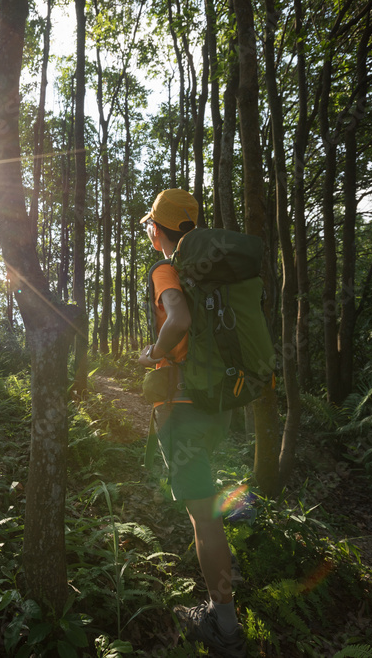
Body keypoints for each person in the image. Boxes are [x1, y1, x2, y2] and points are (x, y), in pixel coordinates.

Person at [137, 188, 246, 657]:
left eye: (149, 224)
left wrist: (154, 352)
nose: (147, 230)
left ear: (159, 228)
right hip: (217, 404)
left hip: (183, 408)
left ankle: (225, 626)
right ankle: (244, 512)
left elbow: (177, 320)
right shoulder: (212, 276)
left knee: (204, 519)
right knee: (207, 503)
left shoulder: (167, 268)